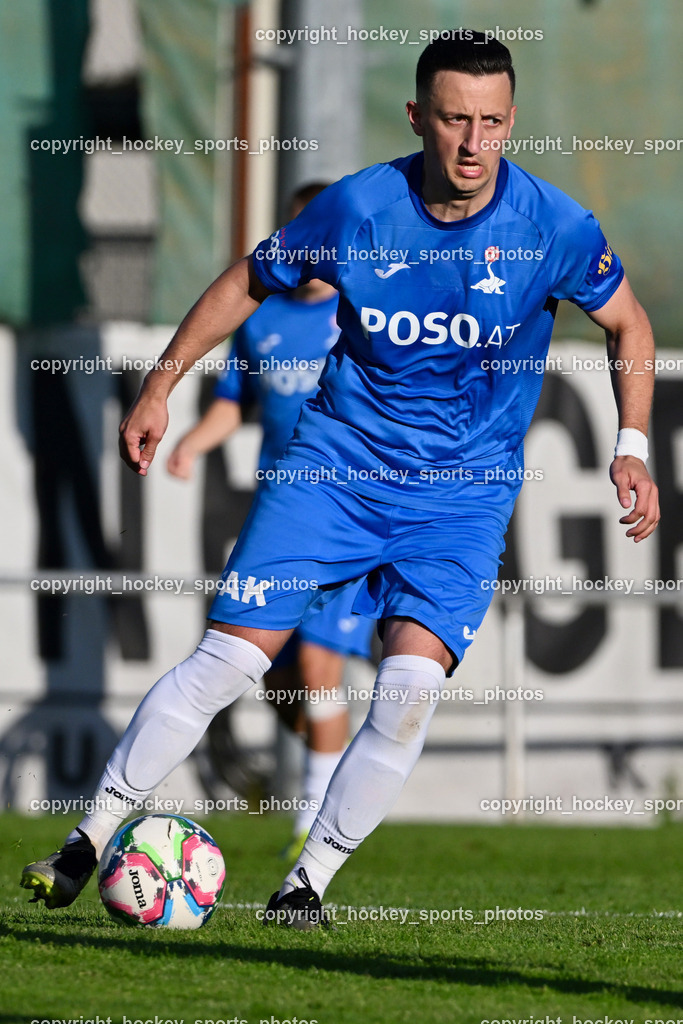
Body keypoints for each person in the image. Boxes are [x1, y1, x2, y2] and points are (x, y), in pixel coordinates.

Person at [22, 32, 659, 928]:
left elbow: (627, 325)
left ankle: (304, 883)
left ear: (510, 121)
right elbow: (249, 278)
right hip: (334, 471)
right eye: (452, 120)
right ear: (416, 118)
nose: (473, 143)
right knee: (230, 663)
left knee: (405, 697)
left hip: (463, 497)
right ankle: (86, 844)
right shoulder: (359, 209)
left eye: (490, 122)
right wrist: (162, 386)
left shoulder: (552, 227)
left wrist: (631, 443)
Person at [166, 182, 374, 858]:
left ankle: (312, 827)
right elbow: (237, 402)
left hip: (346, 516)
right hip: (281, 518)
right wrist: (195, 442)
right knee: (275, 680)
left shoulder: (362, 312)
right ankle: (334, 773)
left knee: (319, 665)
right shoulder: (260, 320)